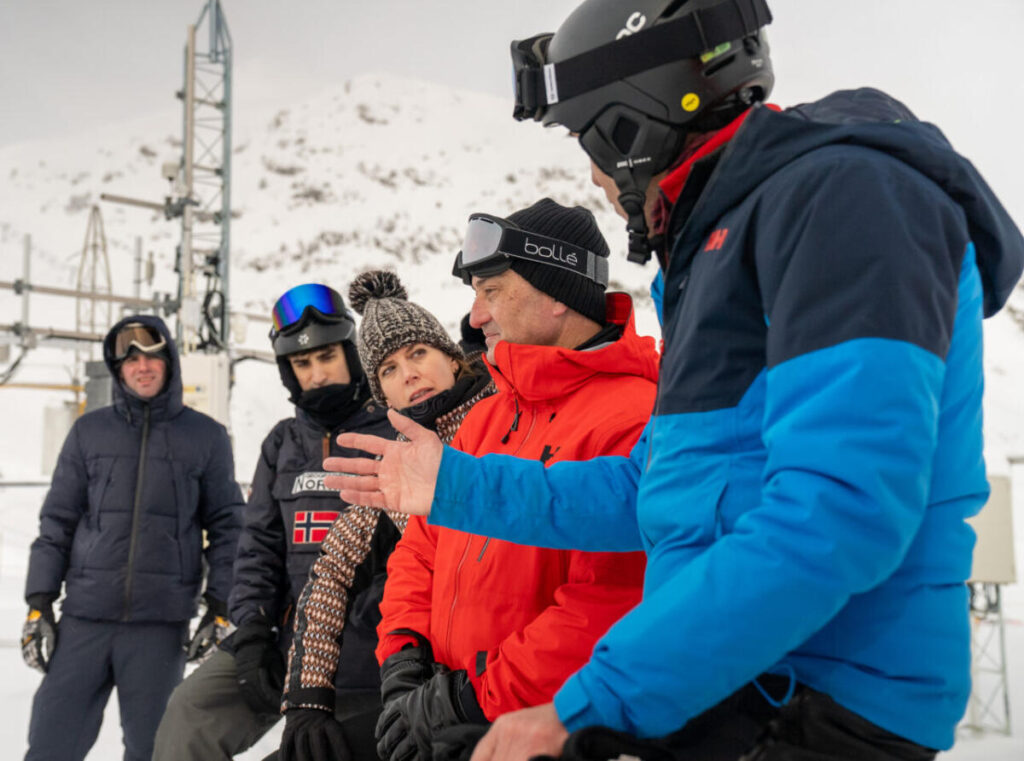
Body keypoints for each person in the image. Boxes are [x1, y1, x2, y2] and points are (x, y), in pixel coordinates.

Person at [323, 2, 1024, 760]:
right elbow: (653, 491)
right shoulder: (720, 244)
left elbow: (839, 511)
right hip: (732, 685)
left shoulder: (847, 198)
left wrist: (591, 702)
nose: (594, 176)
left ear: (632, 123)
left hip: (820, 703)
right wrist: (455, 485)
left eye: (587, 140)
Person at [336, 199, 657, 761]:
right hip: (454, 718)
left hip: (542, 732)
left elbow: (608, 602)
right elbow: (421, 550)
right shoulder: (489, 416)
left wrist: (469, 700)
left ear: (557, 295)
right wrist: (405, 659)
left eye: (491, 292)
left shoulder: (635, 416)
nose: (476, 317)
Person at [152, 284, 398, 761]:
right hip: (287, 641)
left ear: (351, 354)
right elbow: (258, 549)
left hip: (369, 650)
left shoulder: (395, 431)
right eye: (303, 364)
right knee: (191, 711)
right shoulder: (283, 443)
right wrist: (252, 631)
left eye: (327, 357)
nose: (317, 374)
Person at [277, 269, 495, 761]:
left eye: (418, 353)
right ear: (383, 396)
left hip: (507, 681)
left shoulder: (505, 416)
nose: (409, 374)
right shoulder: (395, 463)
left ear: (452, 358)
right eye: (389, 370)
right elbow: (331, 571)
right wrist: (308, 695)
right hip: (430, 683)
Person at [22, 315, 243, 761]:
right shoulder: (89, 431)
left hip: (159, 626)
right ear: (118, 368)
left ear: (170, 362)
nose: (142, 368)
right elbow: (57, 521)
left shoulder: (206, 437)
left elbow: (228, 528)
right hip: (85, 618)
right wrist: (39, 601)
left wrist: (221, 606)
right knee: (51, 744)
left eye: (152, 358)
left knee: (153, 750)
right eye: (131, 360)